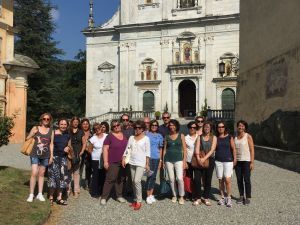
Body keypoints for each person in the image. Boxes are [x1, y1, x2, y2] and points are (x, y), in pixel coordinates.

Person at [122, 120, 150, 210]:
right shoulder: (131, 138)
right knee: (133, 181)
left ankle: (139, 201)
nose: (137, 129)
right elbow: (127, 149)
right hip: (132, 162)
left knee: (137, 181)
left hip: (141, 163)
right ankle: (135, 199)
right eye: (135, 127)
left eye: (139, 128)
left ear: (143, 129)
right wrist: (123, 158)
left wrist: (147, 164)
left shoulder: (146, 139)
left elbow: (148, 152)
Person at [26, 113, 54, 202]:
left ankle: (40, 194)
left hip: (46, 155)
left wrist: (51, 156)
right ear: (41, 119)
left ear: (50, 120)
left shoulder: (51, 131)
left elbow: (51, 144)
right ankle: (31, 194)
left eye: (48, 119)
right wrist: (32, 134)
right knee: (34, 172)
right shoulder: (35, 128)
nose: (46, 120)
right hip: (34, 154)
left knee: (41, 174)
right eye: (44, 119)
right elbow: (27, 138)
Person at [100, 120, 127, 205]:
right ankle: (104, 197)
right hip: (112, 161)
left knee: (120, 179)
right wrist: (105, 162)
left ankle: (119, 196)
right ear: (112, 128)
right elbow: (105, 149)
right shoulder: (109, 136)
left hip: (123, 162)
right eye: (114, 126)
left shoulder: (124, 135)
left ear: (120, 125)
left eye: (117, 125)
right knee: (110, 179)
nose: (116, 127)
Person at [192, 121, 217, 206]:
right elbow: (197, 148)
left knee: (207, 180)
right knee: (197, 179)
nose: (206, 128)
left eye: (208, 127)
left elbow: (212, 149)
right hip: (199, 159)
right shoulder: (199, 137)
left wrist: (204, 159)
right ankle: (198, 198)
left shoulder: (214, 137)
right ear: (203, 128)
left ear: (211, 128)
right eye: (205, 127)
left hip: (210, 160)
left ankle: (206, 197)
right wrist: (199, 158)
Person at [48, 118, 71, 206]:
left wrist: (68, 148)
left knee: (62, 178)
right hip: (54, 158)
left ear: (67, 125)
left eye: (65, 124)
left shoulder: (67, 135)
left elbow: (69, 145)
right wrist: (50, 157)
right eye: (61, 124)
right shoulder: (53, 133)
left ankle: (59, 198)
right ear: (58, 124)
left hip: (63, 159)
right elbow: (51, 145)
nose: (63, 126)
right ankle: (51, 197)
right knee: (53, 177)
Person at [163, 119, 187, 205]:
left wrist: (185, 161)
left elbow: (184, 149)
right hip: (168, 160)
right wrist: (163, 161)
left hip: (179, 159)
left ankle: (181, 196)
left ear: (176, 126)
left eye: (173, 125)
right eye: (170, 125)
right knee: (171, 179)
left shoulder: (181, 135)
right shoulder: (166, 136)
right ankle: (174, 195)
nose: (171, 126)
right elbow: (165, 149)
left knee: (179, 178)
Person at [215, 121, 237, 208]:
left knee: (227, 180)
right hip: (218, 161)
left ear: (225, 127)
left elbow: (234, 149)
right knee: (221, 180)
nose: (221, 128)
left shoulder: (229, 137)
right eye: (219, 127)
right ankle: (222, 197)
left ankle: (229, 197)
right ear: (217, 128)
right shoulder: (216, 138)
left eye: (222, 126)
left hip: (228, 160)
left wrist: (235, 159)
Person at [234, 120, 255, 205]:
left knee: (246, 179)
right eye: (239, 125)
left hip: (246, 160)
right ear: (237, 127)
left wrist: (252, 162)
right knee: (239, 179)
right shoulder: (235, 136)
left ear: (245, 127)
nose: (241, 127)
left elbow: (252, 150)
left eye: (242, 126)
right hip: (237, 161)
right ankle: (241, 196)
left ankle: (248, 197)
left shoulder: (248, 136)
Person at [145, 120, 163, 204]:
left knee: (154, 176)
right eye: (153, 125)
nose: (154, 126)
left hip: (156, 158)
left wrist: (160, 160)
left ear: (157, 126)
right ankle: (148, 195)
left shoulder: (160, 136)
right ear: (150, 125)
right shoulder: (146, 134)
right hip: (148, 158)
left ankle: (151, 194)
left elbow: (160, 148)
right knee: (149, 176)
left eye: (156, 125)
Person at [88, 123, 108, 198]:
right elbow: (89, 149)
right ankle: (95, 192)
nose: (97, 129)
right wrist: (94, 154)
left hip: (105, 158)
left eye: (98, 127)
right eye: (95, 128)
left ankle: (102, 191)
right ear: (94, 130)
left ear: (101, 128)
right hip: (96, 159)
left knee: (103, 175)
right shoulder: (93, 138)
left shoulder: (106, 136)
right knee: (95, 176)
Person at [69, 117, 86, 198]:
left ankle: (76, 190)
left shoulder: (81, 132)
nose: (75, 123)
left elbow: (84, 143)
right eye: (74, 122)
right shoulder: (68, 131)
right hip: (69, 154)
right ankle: (67, 189)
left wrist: (82, 152)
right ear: (72, 122)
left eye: (77, 122)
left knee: (76, 172)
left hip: (77, 154)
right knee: (68, 172)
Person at [184, 121, 198, 200]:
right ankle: (189, 193)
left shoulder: (199, 137)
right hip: (189, 160)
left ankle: (195, 194)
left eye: (194, 127)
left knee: (196, 178)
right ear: (189, 128)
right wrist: (185, 161)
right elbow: (184, 150)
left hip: (197, 161)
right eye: (191, 127)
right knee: (188, 178)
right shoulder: (186, 138)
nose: (192, 129)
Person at [80, 118, 92, 190]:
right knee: (79, 168)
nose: (85, 125)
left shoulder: (92, 133)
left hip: (89, 153)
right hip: (81, 152)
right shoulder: (79, 132)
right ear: (81, 125)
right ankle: (78, 183)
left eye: (86, 124)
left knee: (88, 169)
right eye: (84, 124)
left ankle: (87, 184)